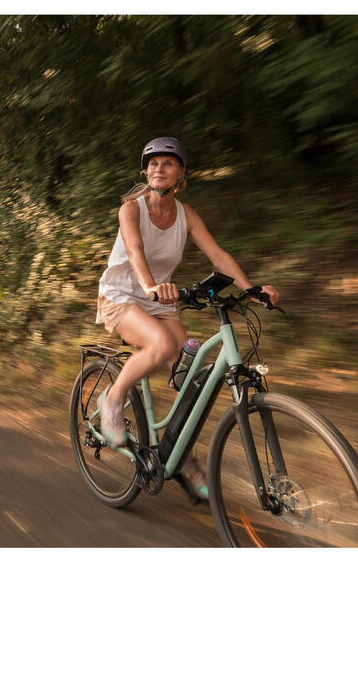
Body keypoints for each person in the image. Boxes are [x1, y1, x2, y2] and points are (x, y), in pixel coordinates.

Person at [95, 137, 279, 501]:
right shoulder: (131, 209)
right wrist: (150, 285)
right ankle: (112, 401)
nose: (158, 169)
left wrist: (251, 287)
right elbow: (134, 250)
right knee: (161, 346)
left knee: (191, 360)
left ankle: (177, 454)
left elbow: (218, 255)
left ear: (181, 174)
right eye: (152, 163)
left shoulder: (186, 214)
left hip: (159, 300)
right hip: (122, 295)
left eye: (167, 163)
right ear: (146, 172)